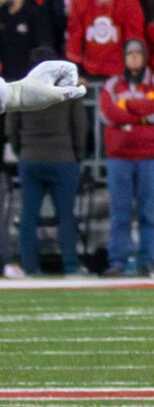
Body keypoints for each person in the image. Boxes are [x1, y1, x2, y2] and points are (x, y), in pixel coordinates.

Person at [6, 49, 90, 275]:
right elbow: (80, 127)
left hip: (31, 158)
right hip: (63, 159)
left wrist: (23, 150)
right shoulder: (66, 90)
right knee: (66, 216)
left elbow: (11, 128)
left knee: (28, 216)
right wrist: (77, 155)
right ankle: (71, 267)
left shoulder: (24, 86)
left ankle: (30, 267)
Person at [99, 39, 154, 276]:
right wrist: (141, 116)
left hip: (151, 156)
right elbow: (108, 114)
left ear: (145, 55)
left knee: (147, 214)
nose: (133, 56)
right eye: (129, 53)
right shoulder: (111, 84)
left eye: (138, 52)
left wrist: (126, 107)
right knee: (120, 212)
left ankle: (148, 260)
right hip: (119, 157)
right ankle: (117, 261)